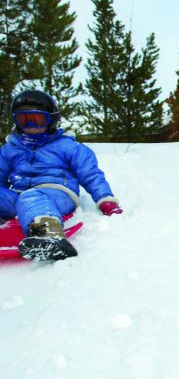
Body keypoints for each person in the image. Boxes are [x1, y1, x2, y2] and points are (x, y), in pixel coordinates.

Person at [0, 89, 122, 262]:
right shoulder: (10, 149)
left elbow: (90, 174)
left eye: (37, 119)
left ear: (51, 119)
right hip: (19, 196)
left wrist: (105, 199)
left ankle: (48, 234)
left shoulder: (68, 147)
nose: (30, 126)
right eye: (23, 119)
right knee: (24, 197)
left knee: (32, 196)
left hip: (58, 194)